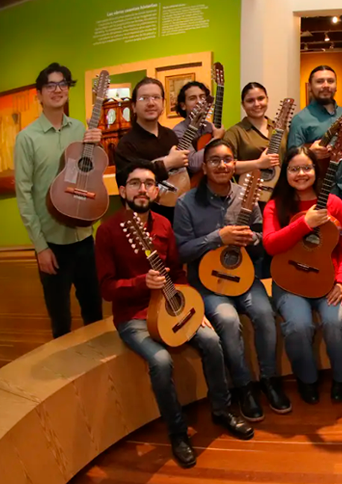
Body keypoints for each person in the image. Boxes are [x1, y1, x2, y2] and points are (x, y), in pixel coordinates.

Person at [95, 159, 254, 468]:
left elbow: (179, 274)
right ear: (122, 189)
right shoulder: (108, 231)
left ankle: (222, 410)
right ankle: (178, 432)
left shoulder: (164, 224)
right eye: (135, 183)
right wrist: (141, 282)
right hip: (135, 316)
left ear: (157, 192)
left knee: (211, 339)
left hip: (175, 306)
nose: (142, 189)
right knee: (160, 360)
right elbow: (106, 288)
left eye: (149, 184)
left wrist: (193, 307)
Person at [173, 139, 291, 418]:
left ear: (234, 163)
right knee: (227, 320)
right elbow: (182, 251)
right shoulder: (186, 202)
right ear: (204, 165)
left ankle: (269, 379)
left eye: (227, 160)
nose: (222, 165)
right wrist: (217, 237)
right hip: (206, 283)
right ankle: (243, 387)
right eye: (215, 160)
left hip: (245, 278)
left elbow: (263, 242)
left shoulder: (246, 194)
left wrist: (253, 238)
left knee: (264, 313)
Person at [14, 62, 103, 338]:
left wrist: (96, 144)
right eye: (50, 85)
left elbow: (86, 172)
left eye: (62, 84)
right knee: (61, 321)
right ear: (38, 95)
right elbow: (24, 194)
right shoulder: (26, 138)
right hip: (52, 244)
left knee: (95, 312)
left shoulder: (81, 129)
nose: (57, 89)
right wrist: (40, 247)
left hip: (84, 237)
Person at [263, 146, 342, 404]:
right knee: (298, 326)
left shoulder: (333, 203)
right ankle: (307, 379)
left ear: (316, 170)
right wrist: (305, 224)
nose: (301, 174)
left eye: (307, 168)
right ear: (286, 173)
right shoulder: (275, 206)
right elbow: (270, 244)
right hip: (289, 281)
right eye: (294, 169)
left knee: (336, 323)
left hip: (328, 280)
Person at [223, 82, 284, 278]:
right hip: (250, 198)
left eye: (260, 98)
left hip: (278, 195)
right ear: (243, 104)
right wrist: (258, 163)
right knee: (255, 245)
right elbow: (227, 166)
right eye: (250, 100)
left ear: (267, 100)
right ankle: (252, 284)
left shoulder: (279, 129)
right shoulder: (236, 132)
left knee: (277, 244)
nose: (256, 104)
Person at [286, 65, 342, 215]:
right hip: (316, 191)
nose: (326, 85)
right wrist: (309, 152)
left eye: (330, 81)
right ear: (310, 87)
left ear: (336, 86)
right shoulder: (300, 119)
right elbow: (291, 156)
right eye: (320, 81)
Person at [114, 77, 189, 222]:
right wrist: (167, 163)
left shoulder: (171, 135)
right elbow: (129, 183)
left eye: (156, 97)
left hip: (177, 214)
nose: (151, 103)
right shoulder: (125, 145)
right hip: (144, 220)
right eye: (144, 98)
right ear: (134, 106)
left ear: (163, 103)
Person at [173, 81, 224, 176]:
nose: (199, 101)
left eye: (202, 97)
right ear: (183, 105)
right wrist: (216, 139)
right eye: (192, 98)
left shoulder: (211, 127)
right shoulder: (179, 131)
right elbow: (193, 164)